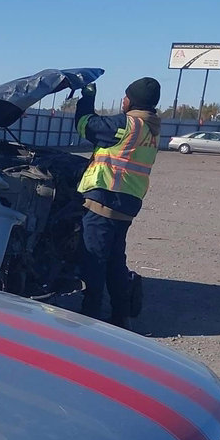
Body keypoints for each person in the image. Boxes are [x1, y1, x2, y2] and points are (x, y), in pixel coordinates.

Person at [73, 77, 162, 329]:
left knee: (94, 259)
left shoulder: (128, 125)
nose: (122, 100)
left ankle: (88, 316)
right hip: (127, 203)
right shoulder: (151, 128)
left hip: (105, 201)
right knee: (114, 260)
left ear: (133, 100)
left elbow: (85, 126)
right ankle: (121, 316)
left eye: (125, 96)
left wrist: (87, 97)